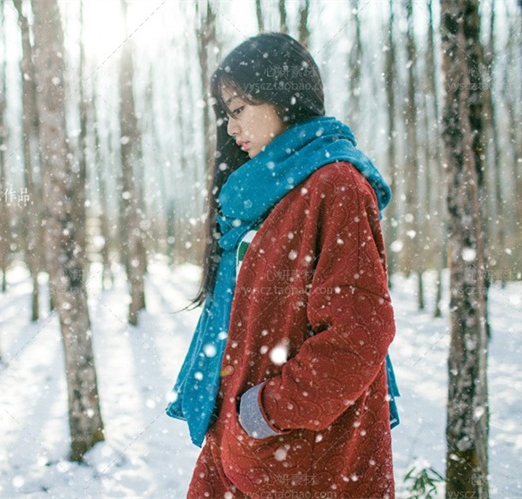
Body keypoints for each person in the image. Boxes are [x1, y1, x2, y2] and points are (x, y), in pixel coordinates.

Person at [166, 33, 400, 498]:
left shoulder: (335, 186)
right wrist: (237, 418)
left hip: (301, 463)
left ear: (283, 97)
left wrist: (263, 412)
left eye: (238, 109)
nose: (231, 129)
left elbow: (359, 334)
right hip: (243, 448)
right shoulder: (263, 196)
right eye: (225, 114)